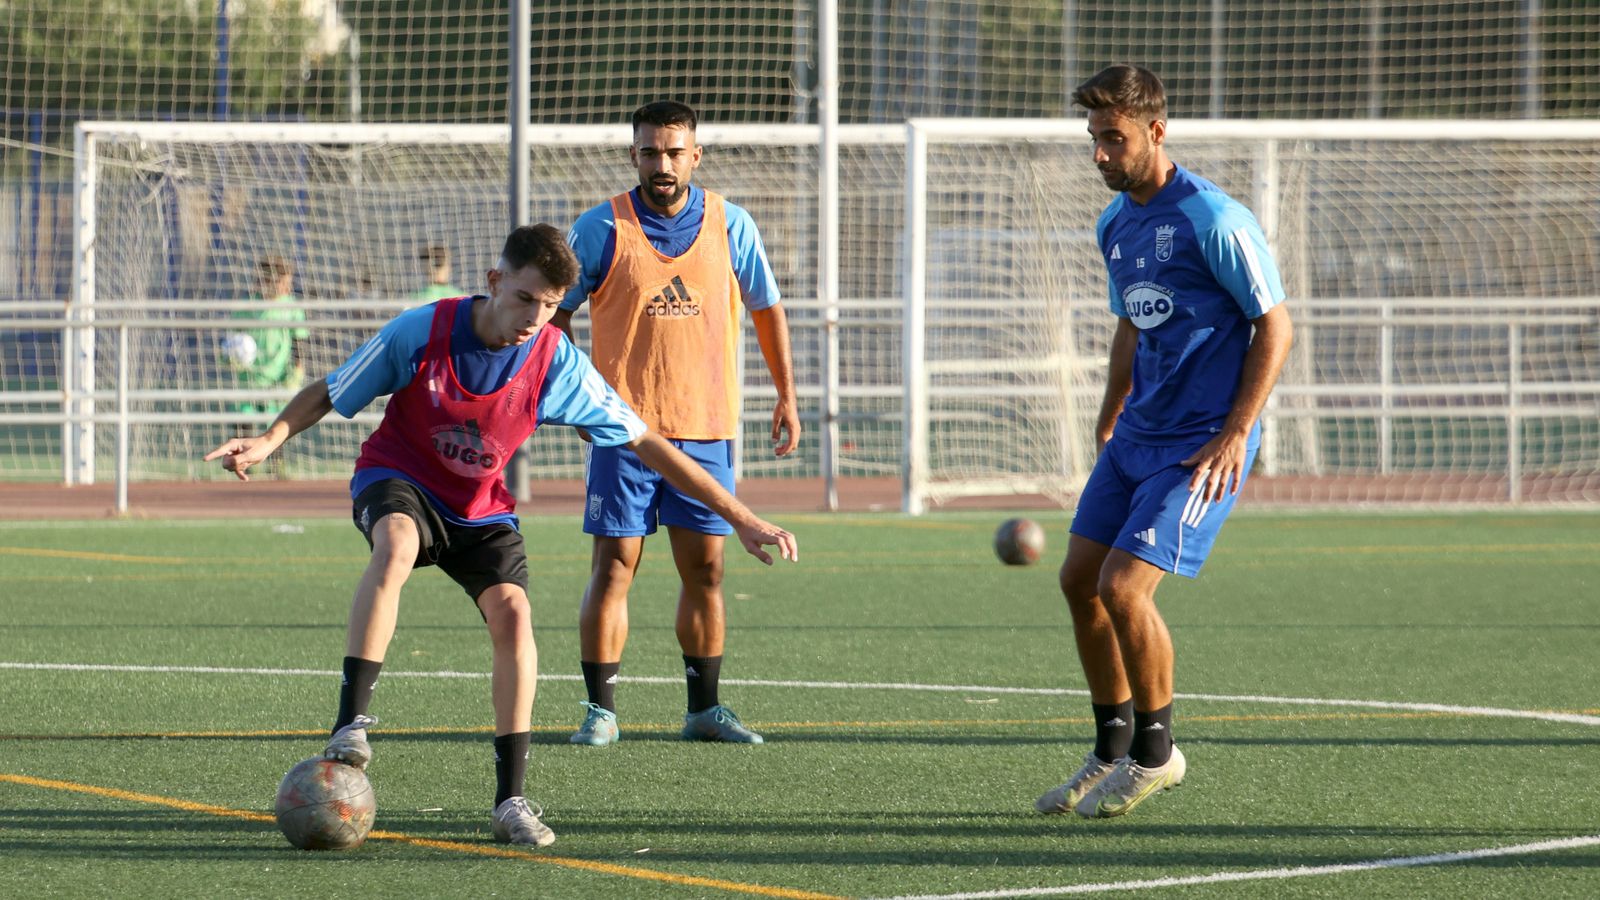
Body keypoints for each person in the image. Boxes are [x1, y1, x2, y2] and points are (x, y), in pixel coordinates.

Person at [203, 224, 798, 847]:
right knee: (398, 544)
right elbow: (330, 389)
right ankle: (351, 723)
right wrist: (270, 439)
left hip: (480, 508)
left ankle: (510, 801)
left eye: (549, 306)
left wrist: (740, 515)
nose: (534, 317)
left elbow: (646, 440)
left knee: (515, 615)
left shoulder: (556, 361)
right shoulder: (422, 331)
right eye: (525, 298)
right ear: (494, 282)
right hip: (398, 478)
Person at [1033, 65, 1294, 819]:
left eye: (1112, 140)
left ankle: (1156, 754)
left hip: (1198, 448)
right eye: (1093, 140)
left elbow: (1274, 324)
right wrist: (1111, 408)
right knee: (1078, 581)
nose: (1100, 156)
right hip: (1137, 436)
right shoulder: (1115, 225)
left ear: (1155, 131)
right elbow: (1130, 320)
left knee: (1123, 588)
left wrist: (1237, 432)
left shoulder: (1214, 217)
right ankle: (1111, 744)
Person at [551, 100, 800, 748]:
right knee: (613, 570)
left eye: (673, 151)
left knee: (708, 573)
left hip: (707, 428)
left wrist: (786, 396)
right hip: (624, 434)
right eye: (649, 152)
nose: (661, 164)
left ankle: (704, 710)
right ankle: (600, 711)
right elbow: (554, 313)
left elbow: (766, 309)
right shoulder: (599, 229)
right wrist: (574, 392)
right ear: (632, 155)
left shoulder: (732, 225)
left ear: (695, 155)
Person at [223, 255, 308, 418]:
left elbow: (299, 340)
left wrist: (298, 368)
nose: (287, 288)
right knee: (243, 427)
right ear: (267, 281)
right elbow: (231, 339)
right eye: (283, 283)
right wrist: (230, 357)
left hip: (279, 378)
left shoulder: (291, 308)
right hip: (248, 379)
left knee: (275, 433)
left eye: (289, 284)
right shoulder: (245, 307)